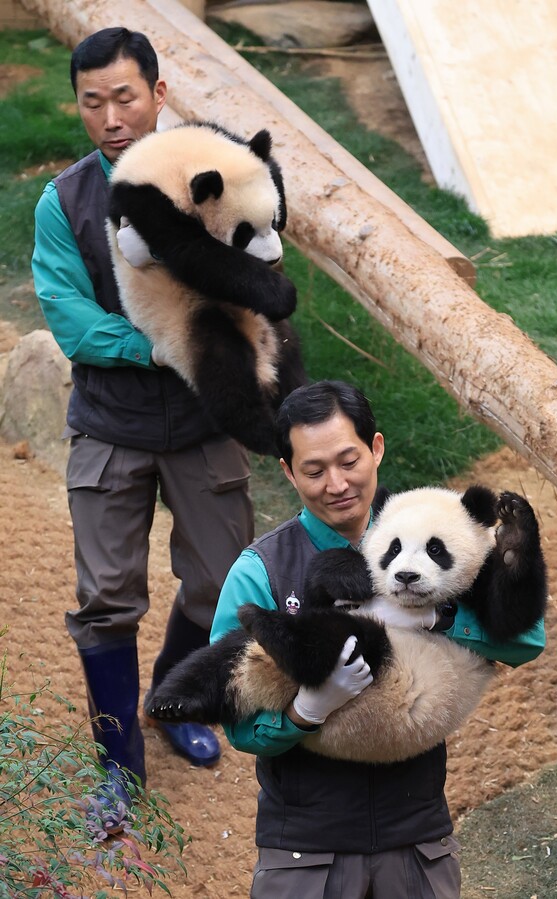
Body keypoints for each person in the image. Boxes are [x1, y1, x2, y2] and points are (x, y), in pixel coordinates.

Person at [31, 27, 254, 823]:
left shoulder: (218, 178)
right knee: (106, 598)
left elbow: (255, 275)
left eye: (126, 96)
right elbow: (73, 321)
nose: (111, 116)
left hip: (203, 422)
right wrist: (166, 345)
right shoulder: (63, 202)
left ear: (160, 95)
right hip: (111, 425)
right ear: (82, 108)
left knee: (220, 579)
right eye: (94, 102)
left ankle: (175, 698)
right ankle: (119, 766)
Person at [210, 379, 546, 899]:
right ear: (287, 472)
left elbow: (527, 639)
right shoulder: (261, 571)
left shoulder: (437, 523)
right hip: (305, 846)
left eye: (349, 461)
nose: (337, 483)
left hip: (415, 836)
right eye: (314, 470)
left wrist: (438, 619)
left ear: (377, 448)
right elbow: (240, 723)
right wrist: (307, 711)